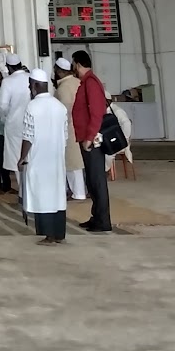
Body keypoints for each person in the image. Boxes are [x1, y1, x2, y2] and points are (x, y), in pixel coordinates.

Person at [17, 70, 69, 245]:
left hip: (39, 159)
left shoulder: (32, 107)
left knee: (42, 196)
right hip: (56, 160)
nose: (29, 88)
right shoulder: (60, 107)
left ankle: (49, 235)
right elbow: (65, 136)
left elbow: (28, 136)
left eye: (29, 84)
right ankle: (59, 233)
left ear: (35, 85)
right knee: (56, 195)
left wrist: (22, 157)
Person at [70, 49, 111, 232]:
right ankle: (97, 216)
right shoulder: (86, 82)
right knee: (92, 181)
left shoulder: (91, 83)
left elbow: (96, 113)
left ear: (77, 64)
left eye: (73, 64)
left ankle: (103, 221)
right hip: (86, 137)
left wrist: (89, 137)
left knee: (97, 180)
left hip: (92, 139)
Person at [54, 56, 86, 201]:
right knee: (77, 162)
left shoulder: (64, 88)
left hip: (70, 128)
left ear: (60, 72)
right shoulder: (78, 82)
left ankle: (78, 193)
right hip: (81, 127)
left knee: (72, 163)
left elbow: (64, 111)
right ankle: (78, 191)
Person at [0, 54, 30, 185]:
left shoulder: (7, 82)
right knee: (31, 156)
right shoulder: (30, 77)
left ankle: (23, 191)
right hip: (32, 124)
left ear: (9, 67)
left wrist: (5, 119)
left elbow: (2, 106)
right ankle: (31, 191)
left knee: (17, 157)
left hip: (14, 126)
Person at [104, 90, 134, 177]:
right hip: (109, 139)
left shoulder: (117, 111)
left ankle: (104, 171)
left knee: (107, 153)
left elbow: (127, 124)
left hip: (119, 141)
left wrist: (124, 139)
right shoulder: (105, 110)